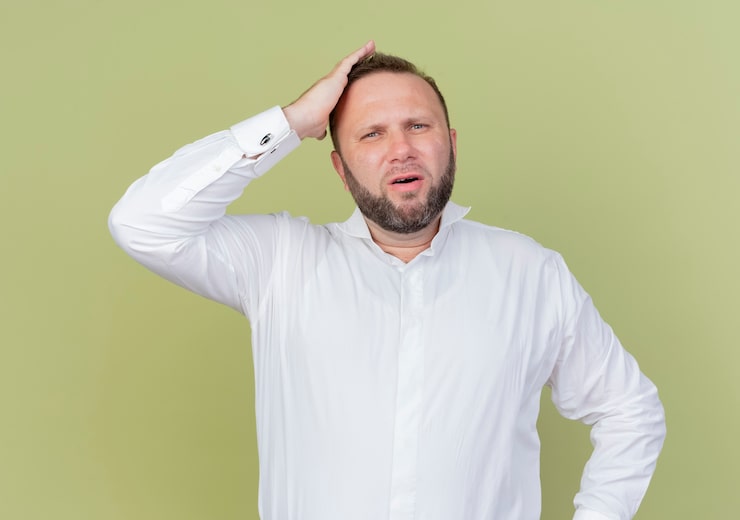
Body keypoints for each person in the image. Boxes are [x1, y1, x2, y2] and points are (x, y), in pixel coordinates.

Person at [109, 41, 665, 520]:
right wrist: (293, 121)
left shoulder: (530, 273)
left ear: (451, 143)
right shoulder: (279, 262)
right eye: (371, 134)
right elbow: (142, 223)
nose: (401, 149)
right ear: (340, 168)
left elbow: (630, 410)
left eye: (417, 126)